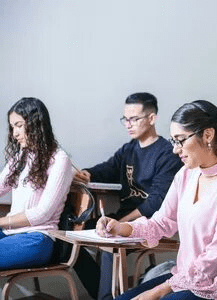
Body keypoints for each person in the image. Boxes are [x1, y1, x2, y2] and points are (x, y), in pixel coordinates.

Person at [97, 100, 217, 300]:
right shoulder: (186, 174)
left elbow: (215, 258)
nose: (175, 149)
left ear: (208, 135)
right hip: (188, 278)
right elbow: (163, 221)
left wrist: (158, 291)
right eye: (173, 141)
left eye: (180, 140)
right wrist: (121, 227)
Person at [73, 92, 183, 300]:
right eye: (125, 119)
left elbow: (155, 203)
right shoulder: (129, 149)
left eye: (134, 119)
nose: (128, 124)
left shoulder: (167, 153)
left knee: (108, 247)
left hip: (151, 222)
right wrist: (88, 173)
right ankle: (105, 296)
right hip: (123, 217)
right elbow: (109, 167)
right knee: (71, 241)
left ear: (151, 118)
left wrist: (120, 224)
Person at [0, 97, 73, 270]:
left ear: (35, 123)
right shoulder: (20, 157)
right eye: (12, 127)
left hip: (37, 238)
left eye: (19, 125)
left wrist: (1, 221)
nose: (15, 133)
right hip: (9, 234)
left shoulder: (59, 159)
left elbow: (42, 214)